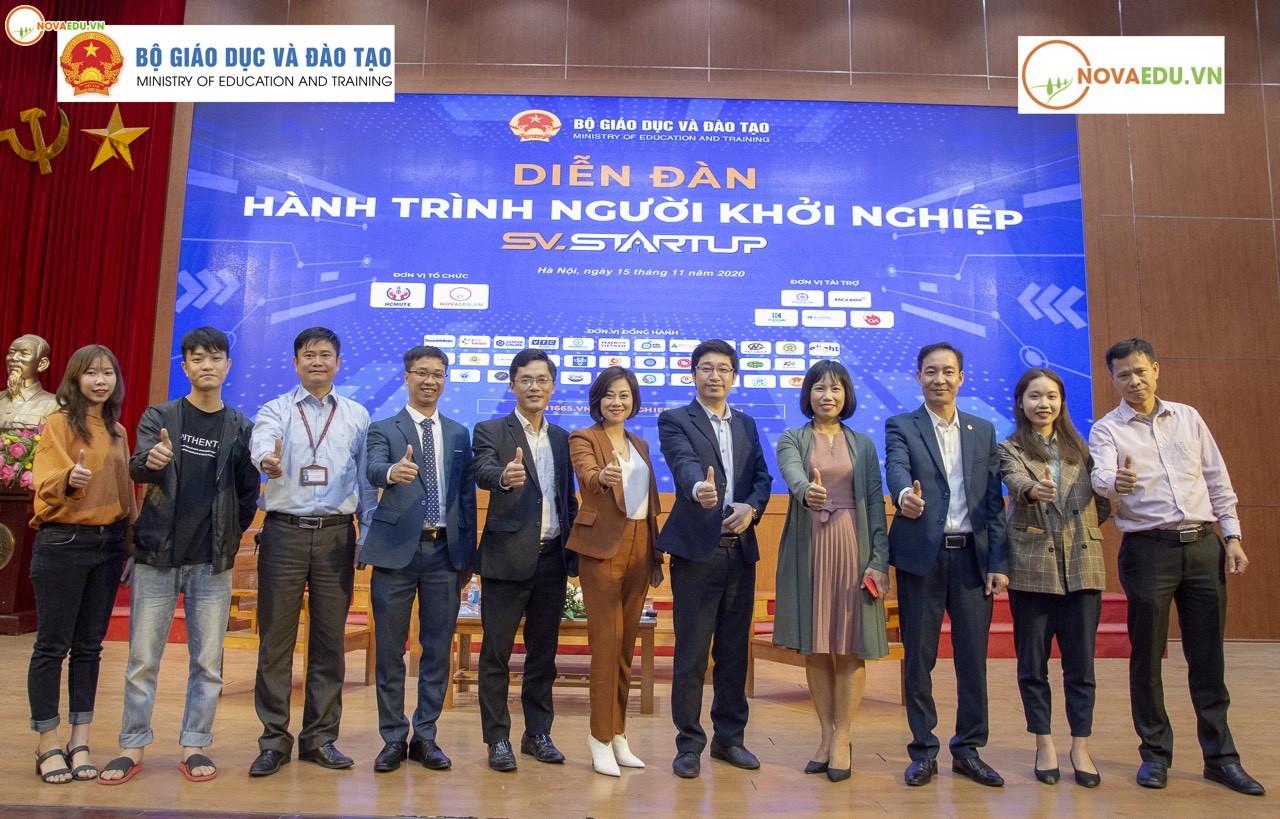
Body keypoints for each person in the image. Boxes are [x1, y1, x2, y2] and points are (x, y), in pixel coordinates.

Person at [1089, 338, 1264, 796]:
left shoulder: (1188, 417)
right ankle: (1155, 754)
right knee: (1147, 657)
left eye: (1140, 371)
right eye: (1124, 375)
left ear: (1156, 370)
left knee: (1208, 658)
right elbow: (1100, 476)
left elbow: (1217, 479)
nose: (1134, 381)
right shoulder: (1106, 429)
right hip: (1148, 552)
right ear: (1112, 379)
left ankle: (1221, 759)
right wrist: (1116, 482)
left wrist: (1233, 537)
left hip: (1204, 547)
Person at [96, 328, 259, 786]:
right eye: (197, 358)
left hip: (211, 562)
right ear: (184, 367)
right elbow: (137, 466)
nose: (207, 365)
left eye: (215, 357)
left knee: (207, 662)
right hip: (157, 556)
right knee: (142, 660)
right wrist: (153, 461)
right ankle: (131, 746)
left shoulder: (241, 426)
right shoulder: (161, 415)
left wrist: (227, 535)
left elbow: (247, 493)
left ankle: (195, 744)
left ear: (228, 366)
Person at [247, 327, 378, 777]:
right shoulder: (276, 409)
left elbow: (365, 481)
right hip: (282, 534)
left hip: (336, 537)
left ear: (338, 363)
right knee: (275, 643)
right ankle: (273, 741)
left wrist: (367, 534)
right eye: (308, 355)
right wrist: (266, 459)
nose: (317, 361)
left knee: (328, 643)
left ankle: (320, 739)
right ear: (295, 362)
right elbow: (262, 439)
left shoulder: (357, 415)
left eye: (325, 355)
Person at [885, 342, 1008, 788]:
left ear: (961, 377)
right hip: (923, 557)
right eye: (931, 371)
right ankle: (923, 750)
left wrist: (998, 560)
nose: (940, 379)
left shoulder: (983, 430)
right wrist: (904, 495)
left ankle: (969, 749)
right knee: (919, 659)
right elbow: (896, 467)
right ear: (918, 376)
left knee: (973, 660)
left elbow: (993, 503)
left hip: (973, 558)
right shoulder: (902, 425)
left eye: (948, 371)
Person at [658, 339, 772, 779]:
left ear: (734, 376)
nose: (715, 376)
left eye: (723, 368)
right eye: (706, 368)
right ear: (693, 374)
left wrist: (753, 508)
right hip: (696, 554)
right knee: (691, 654)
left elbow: (761, 477)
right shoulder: (675, 419)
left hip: (740, 553)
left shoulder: (746, 424)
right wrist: (697, 489)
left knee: (733, 653)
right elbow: (682, 462)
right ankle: (688, 744)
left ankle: (729, 740)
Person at [362, 345, 476, 773]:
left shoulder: (459, 433)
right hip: (395, 553)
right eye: (422, 372)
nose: (430, 380)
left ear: (445, 379)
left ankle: (426, 735)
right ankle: (393, 737)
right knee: (390, 651)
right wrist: (393, 472)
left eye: (438, 373)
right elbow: (373, 468)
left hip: (445, 553)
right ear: (407, 377)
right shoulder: (383, 428)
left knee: (438, 649)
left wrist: (466, 556)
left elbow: (465, 498)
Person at [774, 360, 890, 783]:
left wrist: (879, 559)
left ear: (846, 395)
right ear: (808, 394)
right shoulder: (792, 437)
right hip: (810, 547)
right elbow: (792, 473)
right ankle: (825, 735)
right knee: (817, 647)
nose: (828, 395)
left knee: (851, 646)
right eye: (820, 388)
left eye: (836, 388)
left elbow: (874, 502)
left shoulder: (864, 444)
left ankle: (844, 737)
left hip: (853, 547)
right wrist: (808, 490)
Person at [997, 368, 1109, 789]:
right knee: (1033, 664)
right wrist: (1032, 491)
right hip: (1031, 567)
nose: (1043, 404)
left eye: (1051, 396)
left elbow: (1102, 503)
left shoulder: (1084, 448)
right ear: (1021, 403)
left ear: (1061, 402)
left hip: (1083, 563)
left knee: (1081, 666)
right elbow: (1015, 481)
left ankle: (1081, 746)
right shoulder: (1008, 448)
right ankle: (1044, 743)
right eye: (1034, 396)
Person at [28, 345, 136, 784]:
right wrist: (68, 479)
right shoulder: (58, 422)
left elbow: (125, 490)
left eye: (107, 373)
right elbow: (44, 479)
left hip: (108, 543)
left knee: (90, 647)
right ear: (74, 379)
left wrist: (131, 541)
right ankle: (47, 743)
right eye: (91, 373)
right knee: (52, 646)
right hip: (63, 541)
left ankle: (80, 740)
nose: (100, 380)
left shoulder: (117, 429)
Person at [471, 348, 578, 772]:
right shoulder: (491, 430)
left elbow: (566, 501)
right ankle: (497, 738)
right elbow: (482, 468)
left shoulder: (563, 438)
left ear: (552, 386)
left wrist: (573, 554)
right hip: (505, 559)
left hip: (552, 560)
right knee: (496, 654)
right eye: (526, 379)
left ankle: (537, 733)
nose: (534, 387)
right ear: (513, 383)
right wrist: (502, 476)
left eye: (542, 379)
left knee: (543, 655)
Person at [565, 366, 663, 777]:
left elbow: (647, 500)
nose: (616, 402)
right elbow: (587, 476)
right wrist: (601, 476)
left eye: (624, 395)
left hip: (641, 543)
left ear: (634, 400)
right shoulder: (583, 438)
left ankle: (619, 732)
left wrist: (655, 551)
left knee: (626, 647)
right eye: (609, 395)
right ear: (597, 400)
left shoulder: (640, 443)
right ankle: (599, 736)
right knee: (606, 644)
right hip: (604, 547)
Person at [1, 333, 59, 429]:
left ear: (42, 364)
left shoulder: (55, 405)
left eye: (24, 353)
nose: (14, 358)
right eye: (11, 352)